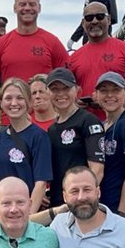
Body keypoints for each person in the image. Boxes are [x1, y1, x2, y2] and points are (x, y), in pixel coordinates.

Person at [0, 0, 70, 105]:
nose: (27, 8)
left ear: (39, 8)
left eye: (32, 4)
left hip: (46, 120)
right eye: (22, 4)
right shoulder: (0, 44)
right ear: (15, 8)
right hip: (10, 121)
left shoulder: (53, 42)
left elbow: (68, 79)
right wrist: (6, 107)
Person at [66, 2, 125, 106]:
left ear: (108, 20)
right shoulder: (73, 58)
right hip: (85, 119)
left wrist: (119, 104)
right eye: (89, 18)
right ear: (83, 23)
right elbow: (66, 91)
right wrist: (75, 103)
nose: (94, 21)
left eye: (100, 16)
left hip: (118, 119)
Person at [46, 68, 106, 205]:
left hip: (80, 203)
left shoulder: (88, 121)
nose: (61, 93)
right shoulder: (51, 129)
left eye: (66, 88)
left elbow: (97, 170)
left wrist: (82, 199)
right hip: (58, 203)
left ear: (76, 90)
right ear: (48, 92)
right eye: (55, 89)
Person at [0, 78, 53, 209]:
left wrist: (29, 219)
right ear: (1, 103)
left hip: (23, 210)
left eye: (20, 98)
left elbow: (41, 183)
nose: (14, 103)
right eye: (8, 98)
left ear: (29, 102)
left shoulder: (39, 136)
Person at [95, 72, 125, 226]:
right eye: (104, 90)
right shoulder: (101, 125)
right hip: (104, 207)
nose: (110, 95)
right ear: (96, 95)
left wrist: (122, 215)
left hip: (124, 209)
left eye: (116, 90)